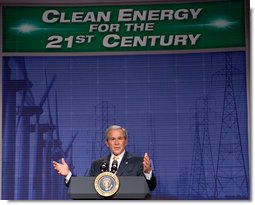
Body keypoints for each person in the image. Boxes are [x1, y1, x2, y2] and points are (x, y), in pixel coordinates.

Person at [53, 125, 157, 191]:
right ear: (107, 143)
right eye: (112, 139)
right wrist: (68, 174)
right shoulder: (97, 164)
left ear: (126, 141)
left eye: (120, 139)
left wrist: (147, 172)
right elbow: (86, 188)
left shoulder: (138, 162)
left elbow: (150, 187)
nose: (116, 143)